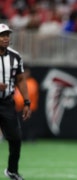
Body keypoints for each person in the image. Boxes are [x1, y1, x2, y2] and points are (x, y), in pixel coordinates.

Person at [0, 23, 31, 180]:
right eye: (2, 35)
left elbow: (20, 80)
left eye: (7, 35)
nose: (6, 38)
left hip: (6, 102)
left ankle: (12, 170)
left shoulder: (15, 56)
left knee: (15, 138)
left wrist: (27, 102)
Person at [13, 64, 39, 141]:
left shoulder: (32, 83)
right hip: (18, 109)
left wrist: (17, 103)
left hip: (29, 109)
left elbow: (26, 97)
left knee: (28, 126)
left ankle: (30, 138)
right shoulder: (18, 82)